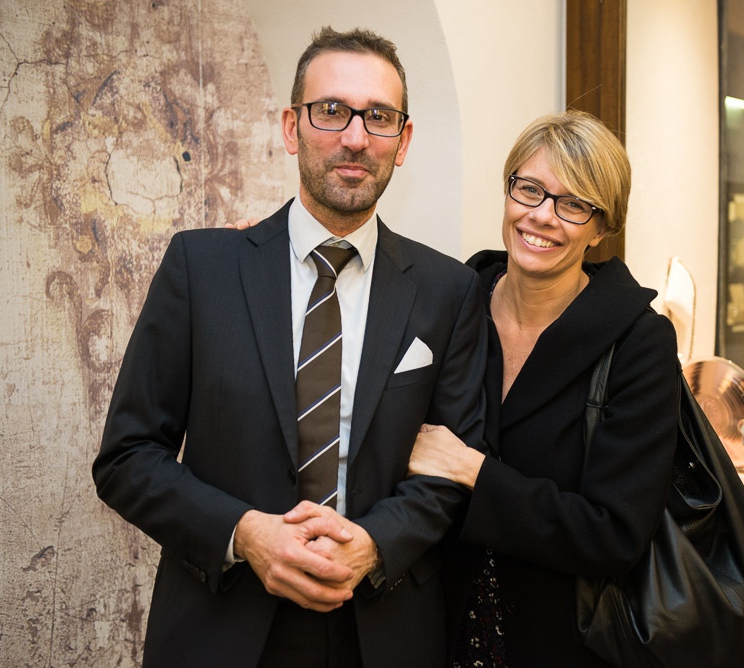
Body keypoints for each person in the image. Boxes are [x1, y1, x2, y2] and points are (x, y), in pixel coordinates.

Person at [92, 26, 487, 668]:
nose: (355, 137)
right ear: (291, 127)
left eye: (378, 117)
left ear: (403, 140)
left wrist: (374, 544)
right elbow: (127, 458)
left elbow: (452, 471)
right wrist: (245, 534)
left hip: (381, 629)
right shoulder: (202, 268)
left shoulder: (449, 291)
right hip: (223, 625)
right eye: (331, 110)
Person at [407, 110, 680, 667]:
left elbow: (615, 535)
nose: (542, 215)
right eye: (529, 189)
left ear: (601, 227)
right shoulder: (453, 301)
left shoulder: (638, 342)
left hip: (563, 643)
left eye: (574, 203)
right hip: (434, 628)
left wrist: (473, 471)